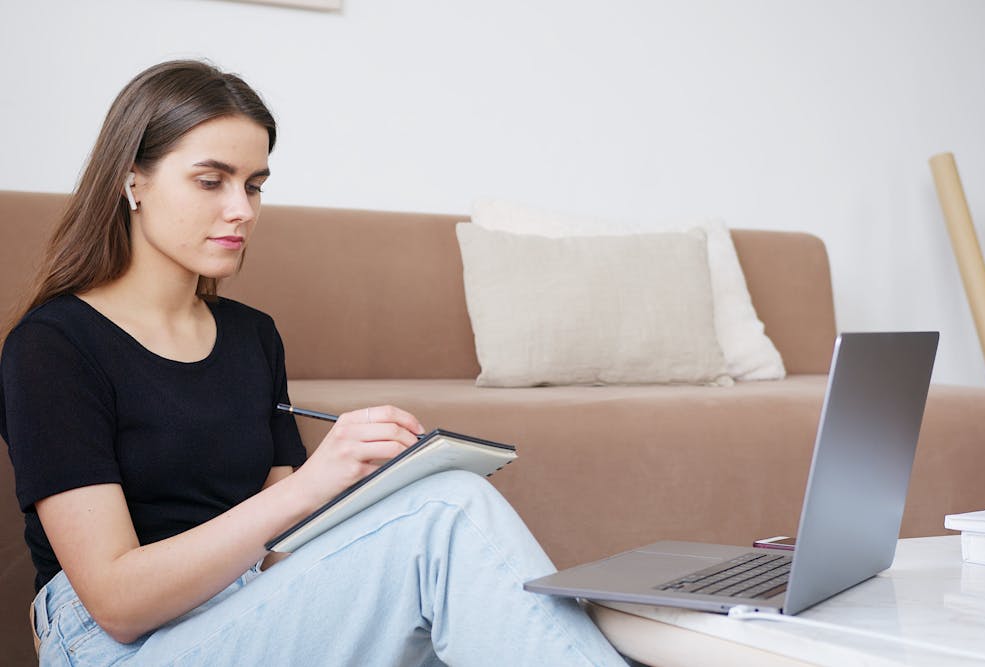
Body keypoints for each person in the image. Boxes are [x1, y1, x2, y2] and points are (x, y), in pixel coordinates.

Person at [0, 60, 629, 666]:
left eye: (254, 185)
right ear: (131, 180)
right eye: (211, 181)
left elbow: (280, 554)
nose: (243, 210)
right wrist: (314, 482)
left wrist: (370, 493)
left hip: (244, 605)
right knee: (448, 512)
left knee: (446, 539)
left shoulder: (251, 336)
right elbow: (116, 603)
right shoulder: (52, 346)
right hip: (121, 647)